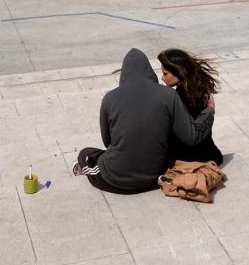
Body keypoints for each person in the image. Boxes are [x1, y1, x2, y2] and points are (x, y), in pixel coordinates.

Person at [73, 49, 214, 194]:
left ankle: (83, 167)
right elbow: (191, 136)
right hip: (153, 177)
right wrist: (209, 111)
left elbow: (107, 141)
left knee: (87, 153)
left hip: (115, 180)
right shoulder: (169, 95)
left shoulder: (110, 98)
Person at [157, 49, 223, 166]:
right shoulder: (198, 90)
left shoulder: (180, 96)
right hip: (210, 153)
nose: (163, 78)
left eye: (165, 73)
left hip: (191, 157)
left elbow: (188, 135)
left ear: (178, 71)